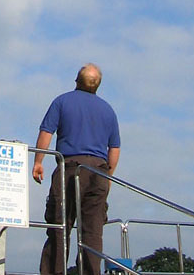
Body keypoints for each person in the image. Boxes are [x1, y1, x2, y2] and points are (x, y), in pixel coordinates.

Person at [33, 64, 120, 275]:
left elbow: (47, 132)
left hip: (70, 168)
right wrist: (108, 176)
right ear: (97, 86)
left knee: (60, 227)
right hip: (99, 171)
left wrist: (38, 161)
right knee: (92, 232)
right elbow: (114, 148)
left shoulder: (62, 101)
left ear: (76, 81)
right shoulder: (108, 110)